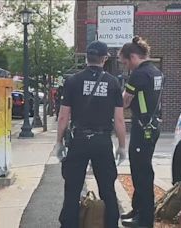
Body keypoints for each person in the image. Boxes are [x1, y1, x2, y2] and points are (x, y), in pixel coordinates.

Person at [54, 40, 127, 228]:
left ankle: (69, 224)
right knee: (107, 189)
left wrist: (59, 142)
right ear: (104, 58)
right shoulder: (113, 83)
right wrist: (122, 145)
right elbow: (119, 120)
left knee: (72, 188)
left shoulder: (72, 81)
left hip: (79, 140)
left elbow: (63, 117)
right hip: (102, 141)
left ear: (87, 57)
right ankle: (111, 223)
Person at [119, 36, 164, 228]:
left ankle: (144, 219)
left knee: (142, 173)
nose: (126, 66)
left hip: (142, 127)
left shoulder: (138, 75)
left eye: (125, 62)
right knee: (141, 170)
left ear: (133, 57)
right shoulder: (156, 72)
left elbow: (124, 101)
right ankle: (138, 210)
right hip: (152, 125)